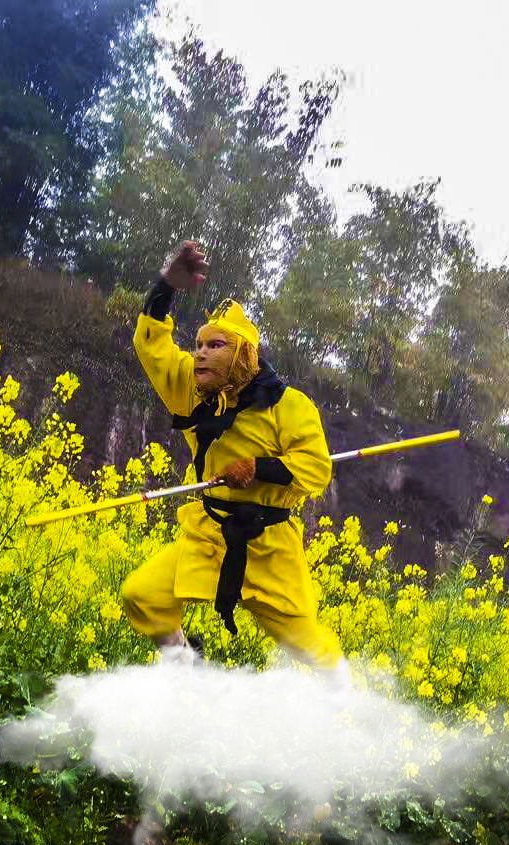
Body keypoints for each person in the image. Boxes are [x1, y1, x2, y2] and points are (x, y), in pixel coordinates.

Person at [121, 239, 348, 685]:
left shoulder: (289, 405)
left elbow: (315, 469)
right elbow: (153, 344)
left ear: (243, 355)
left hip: (269, 546)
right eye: (200, 343)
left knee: (310, 648)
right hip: (208, 535)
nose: (201, 352)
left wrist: (256, 468)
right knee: (141, 596)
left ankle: (353, 708)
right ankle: (186, 670)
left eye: (216, 345)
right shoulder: (192, 386)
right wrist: (168, 285)